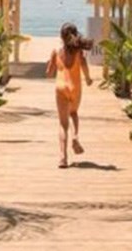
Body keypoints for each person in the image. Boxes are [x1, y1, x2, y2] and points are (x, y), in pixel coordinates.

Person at [46, 23, 94, 168]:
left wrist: (52, 63)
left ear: (61, 36)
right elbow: (84, 65)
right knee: (73, 113)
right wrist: (88, 78)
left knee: (63, 123)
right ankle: (75, 136)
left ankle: (63, 158)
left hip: (60, 87)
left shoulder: (56, 51)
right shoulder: (79, 52)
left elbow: (49, 73)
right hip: (75, 87)